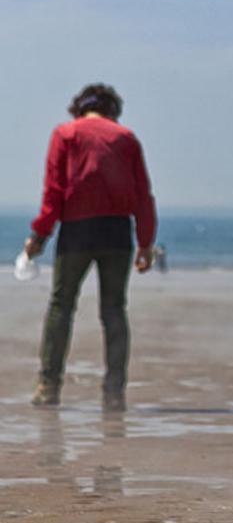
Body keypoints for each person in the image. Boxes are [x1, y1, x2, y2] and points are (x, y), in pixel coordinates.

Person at [24, 83, 157, 412]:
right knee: (113, 310)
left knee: (61, 307)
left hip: (77, 231)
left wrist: (40, 235)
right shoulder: (126, 138)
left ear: (79, 108)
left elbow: (54, 191)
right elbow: (143, 194)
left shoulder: (66, 134)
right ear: (113, 110)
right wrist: (145, 242)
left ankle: (48, 386)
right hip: (117, 232)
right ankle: (114, 393)